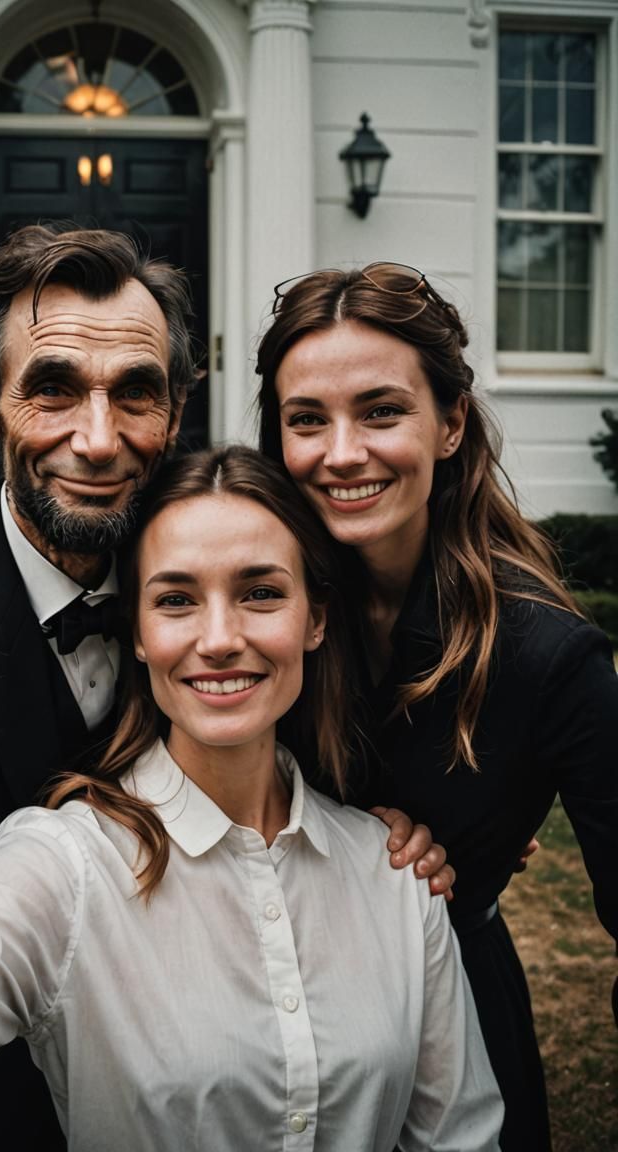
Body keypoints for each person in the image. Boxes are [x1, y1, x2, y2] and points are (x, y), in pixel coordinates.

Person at [0, 229, 449, 1152]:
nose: (98, 441)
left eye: (135, 393)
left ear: (177, 407)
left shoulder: (228, 591)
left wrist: (407, 843)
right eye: (53, 389)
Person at [255, 261, 618, 1152]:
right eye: (308, 420)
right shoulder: (253, 608)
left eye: (381, 411)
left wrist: (485, 837)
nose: (342, 453)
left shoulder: (547, 655)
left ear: (451, 423)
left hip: (448, 1007)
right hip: (253, 1000)